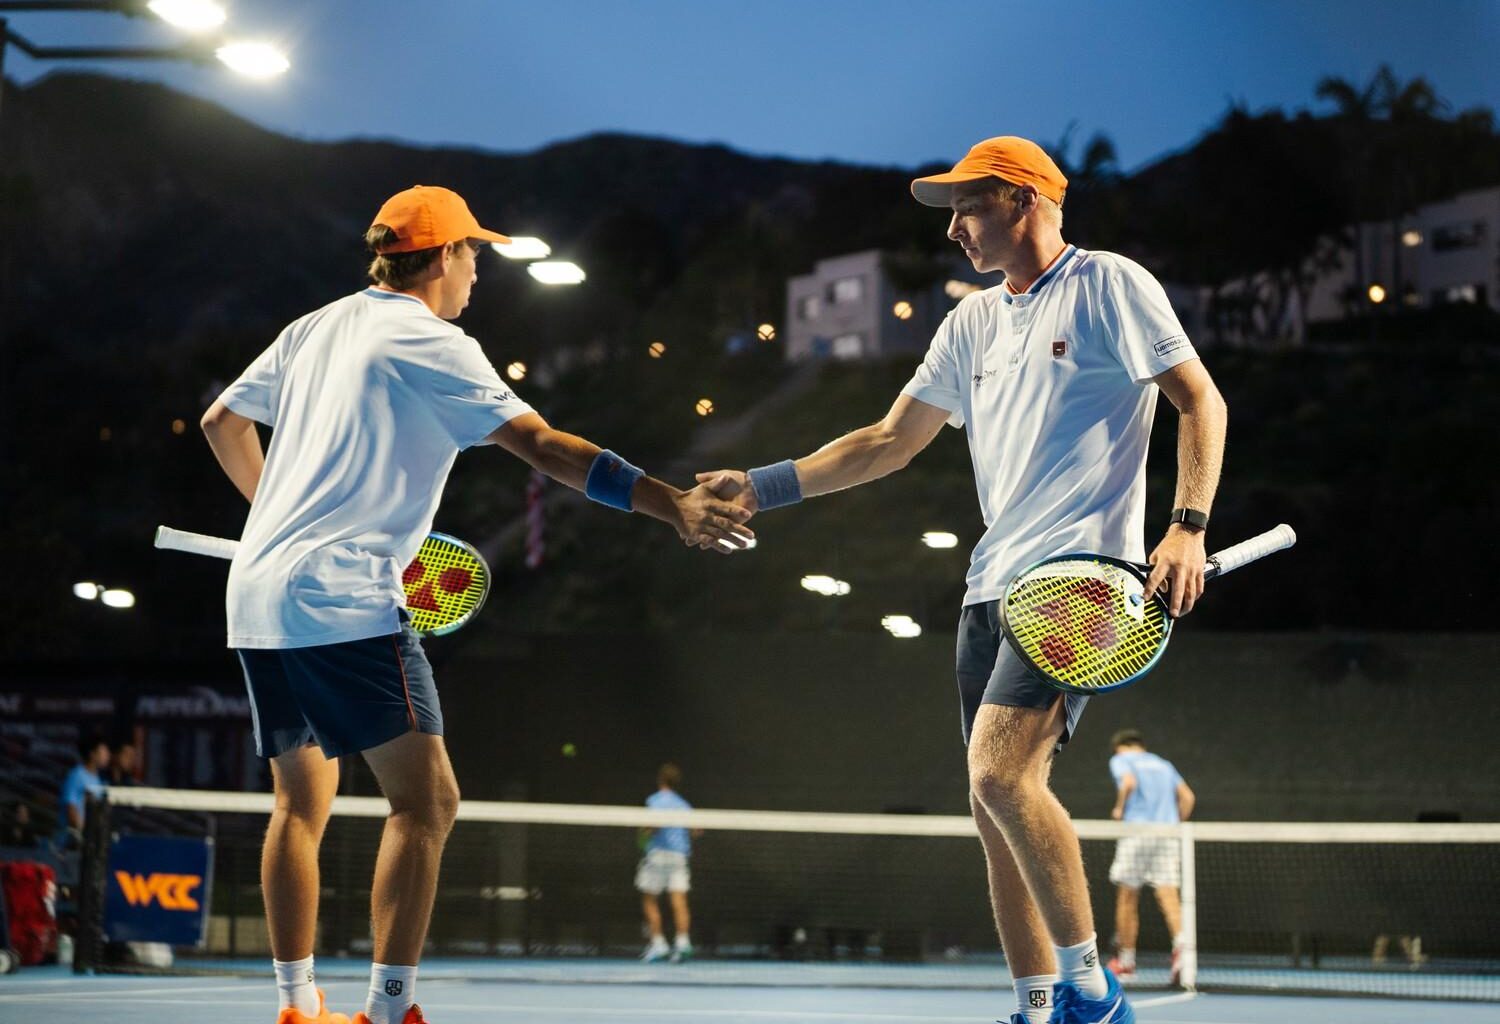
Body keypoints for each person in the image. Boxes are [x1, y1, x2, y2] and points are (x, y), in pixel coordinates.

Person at [697, 136, 1227, 1024]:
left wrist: (1186, 526)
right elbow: (885, 442)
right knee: (994, 810)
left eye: (968, 207)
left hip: (1079, 583)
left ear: (1022, 200)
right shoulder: (971, 322)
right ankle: (1035, 1002)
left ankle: (1094, 993)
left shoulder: (1110, 285)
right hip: (991, 588)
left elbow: (1198, 399)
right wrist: (759, 486)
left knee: (996, 777)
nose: (952, 229)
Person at [200, 185, 753, 1024]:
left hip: (260, 595)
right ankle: (390, 1012)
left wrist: (275, 521)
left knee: (296, 804)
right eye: (474, 256)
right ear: (443, 257)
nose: (478, 273)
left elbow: (220, 423)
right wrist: (669, 501)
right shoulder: (433, 340)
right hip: (345, 598)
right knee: (427, 804)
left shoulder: (314, 327)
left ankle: (294, 1004)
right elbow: (543, 446)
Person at [1105, 729, 1195, 986]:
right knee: (1169, 896)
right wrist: (1174, 823)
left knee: (1127, 897)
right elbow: (1188, 797)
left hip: (1136, 832)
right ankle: (1183, 954)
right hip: (1166, 834)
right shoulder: (1163, 764)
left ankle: (1126, 961)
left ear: (1121, 747)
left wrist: (1120, 808)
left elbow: (1129, 783)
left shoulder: (1121, 760)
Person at [636, 762, 697, 963]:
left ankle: (659, 944)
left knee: (649, 899)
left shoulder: (655, 800)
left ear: (660, 780)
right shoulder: (684, 804)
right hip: (679, 856)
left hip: (658, 854)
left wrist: (644, 831)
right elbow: (697, 830)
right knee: (679, 900)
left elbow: (652, 825)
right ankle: (682, 943)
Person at [56, 733, 109, 848]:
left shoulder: (99, 780)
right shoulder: (76, 776)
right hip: (71, 846)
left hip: (90, 844)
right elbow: (71, 810)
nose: (107, 755)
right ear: (92, 754)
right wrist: (81, 836)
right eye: (103, 751)